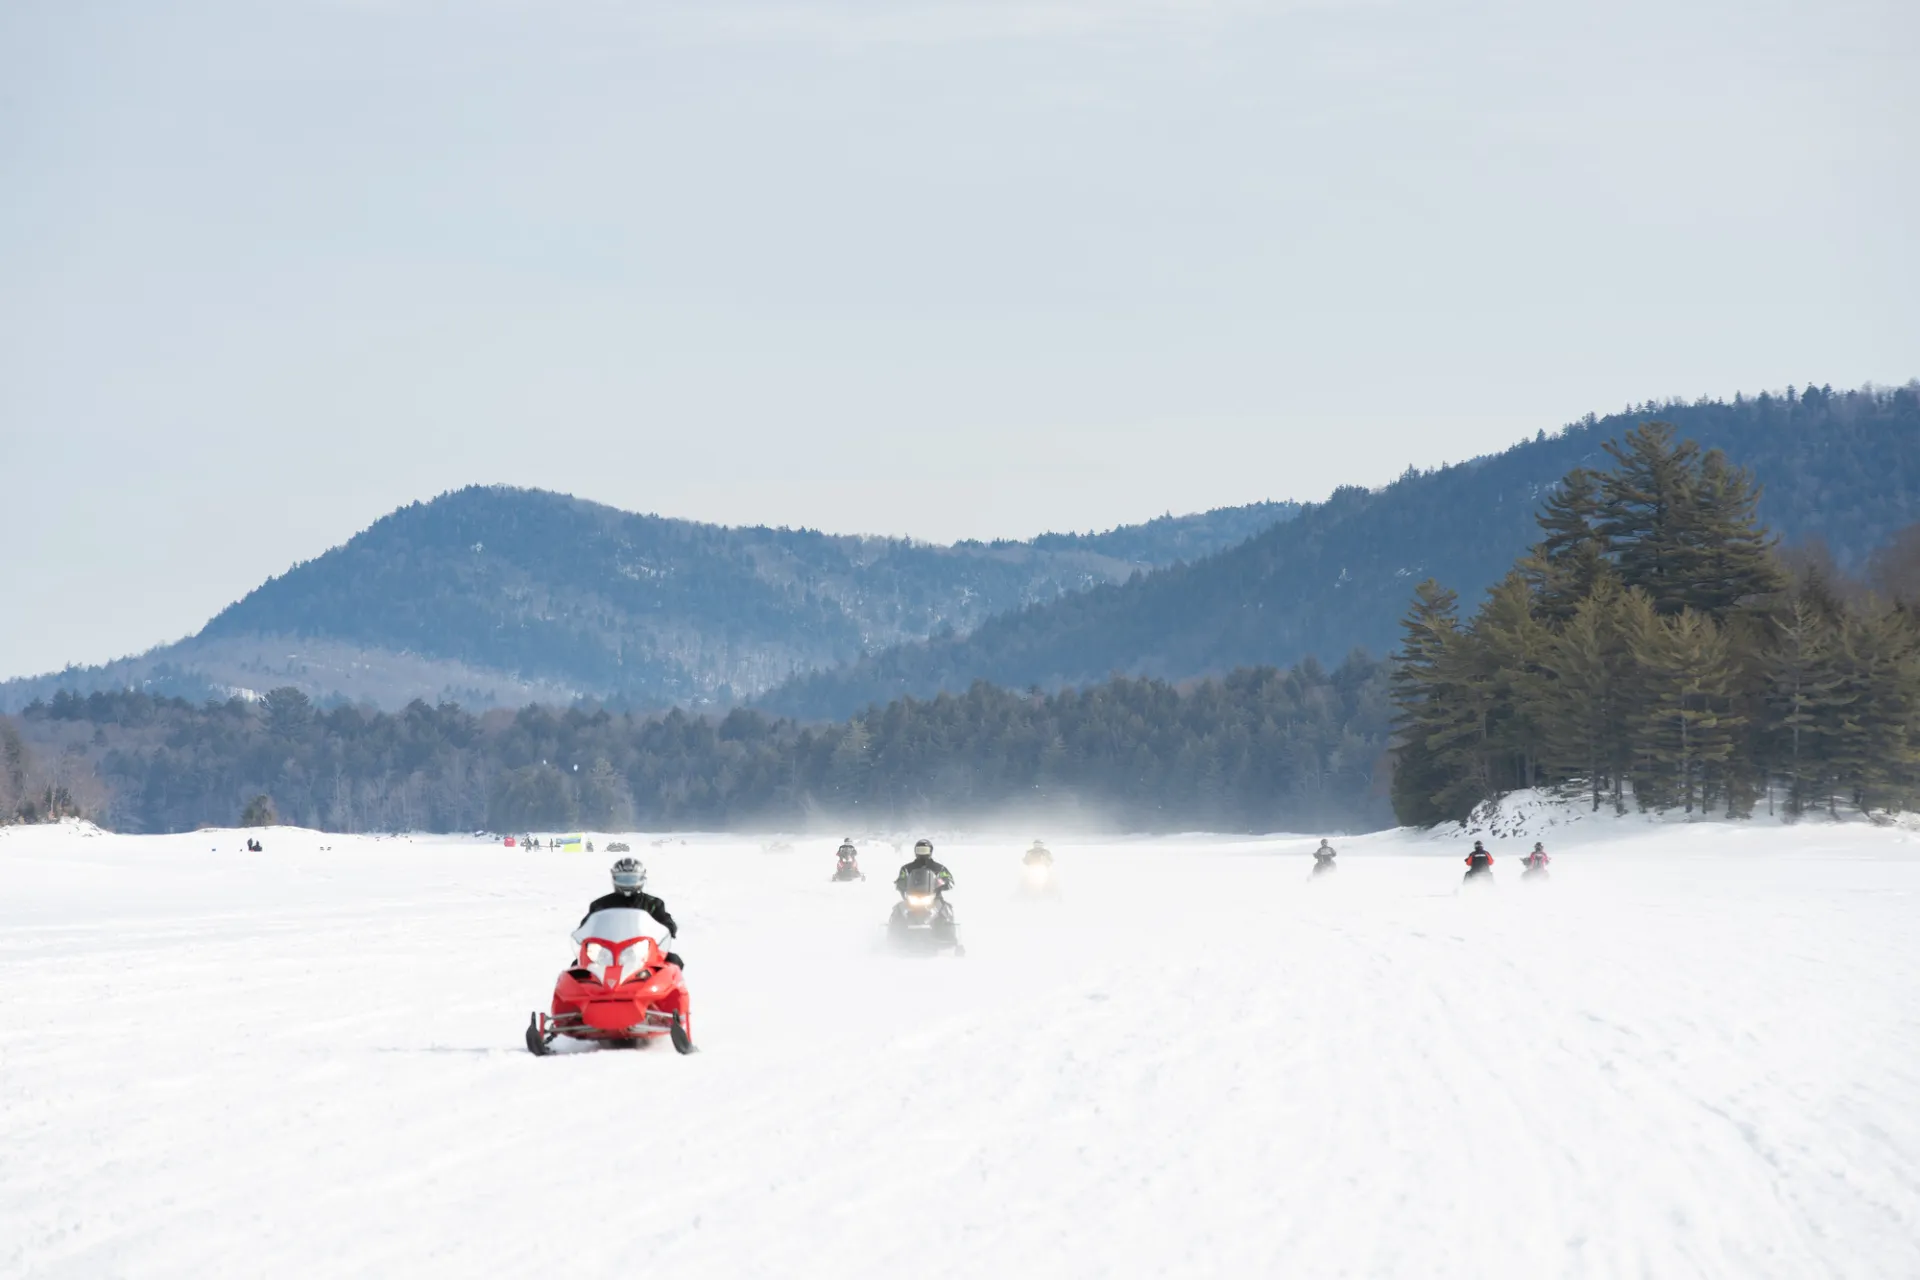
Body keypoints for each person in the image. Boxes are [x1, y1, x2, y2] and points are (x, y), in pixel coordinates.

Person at [580, 857, 684, 969]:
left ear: (642, 878)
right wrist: (584, 933)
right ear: (614, 878)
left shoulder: (653, 903)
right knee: (577, 965)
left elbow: (666, 921)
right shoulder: (600, 904)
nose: (627, 884)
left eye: (632, 879)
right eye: (623, 879)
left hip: (642, 949)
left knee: (674, 962)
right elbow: (586, 925)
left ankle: (669, 987)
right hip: (607, 952)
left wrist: (668, 929)